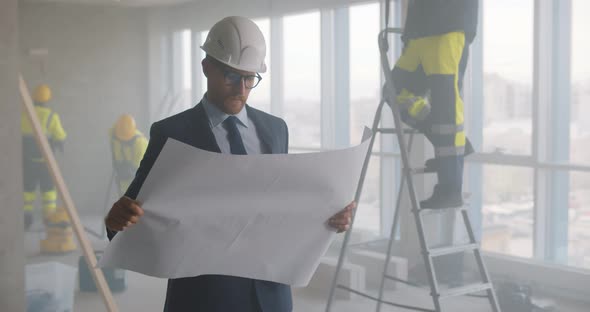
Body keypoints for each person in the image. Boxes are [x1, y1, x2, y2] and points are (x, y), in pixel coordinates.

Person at [104, 16, 354, 312]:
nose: (241, 89)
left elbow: (286, 204)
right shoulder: (172, 132)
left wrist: (330, 217)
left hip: (270, 293)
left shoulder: (275, 129)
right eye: (231, 76)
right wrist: (115, 219)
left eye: (250, 78)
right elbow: (135, 213)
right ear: (206, 67)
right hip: (203, 294)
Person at [388, 0, 479, 209]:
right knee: (392, 92)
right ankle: (449, 146)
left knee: (446, 107)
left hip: (448, 27)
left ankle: (450, 188)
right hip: (418, 33)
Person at [21, 84, 67, 230]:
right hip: (46, 163)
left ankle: (26, 218)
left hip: (28, 161)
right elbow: (60, 136)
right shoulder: (51, 117)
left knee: (27, 192)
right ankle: (49, 220)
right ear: (47, 99)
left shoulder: (24, 115)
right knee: (48, 193)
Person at [109, 114, 148, 196]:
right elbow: (116, 158)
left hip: (137, 184)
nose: (122, 141)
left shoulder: (140, 144)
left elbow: (139, 169)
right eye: (120, 138)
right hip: (122, 184)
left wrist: (128, 172)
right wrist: (119, 168)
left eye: (125, 140)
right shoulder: (115, 136)